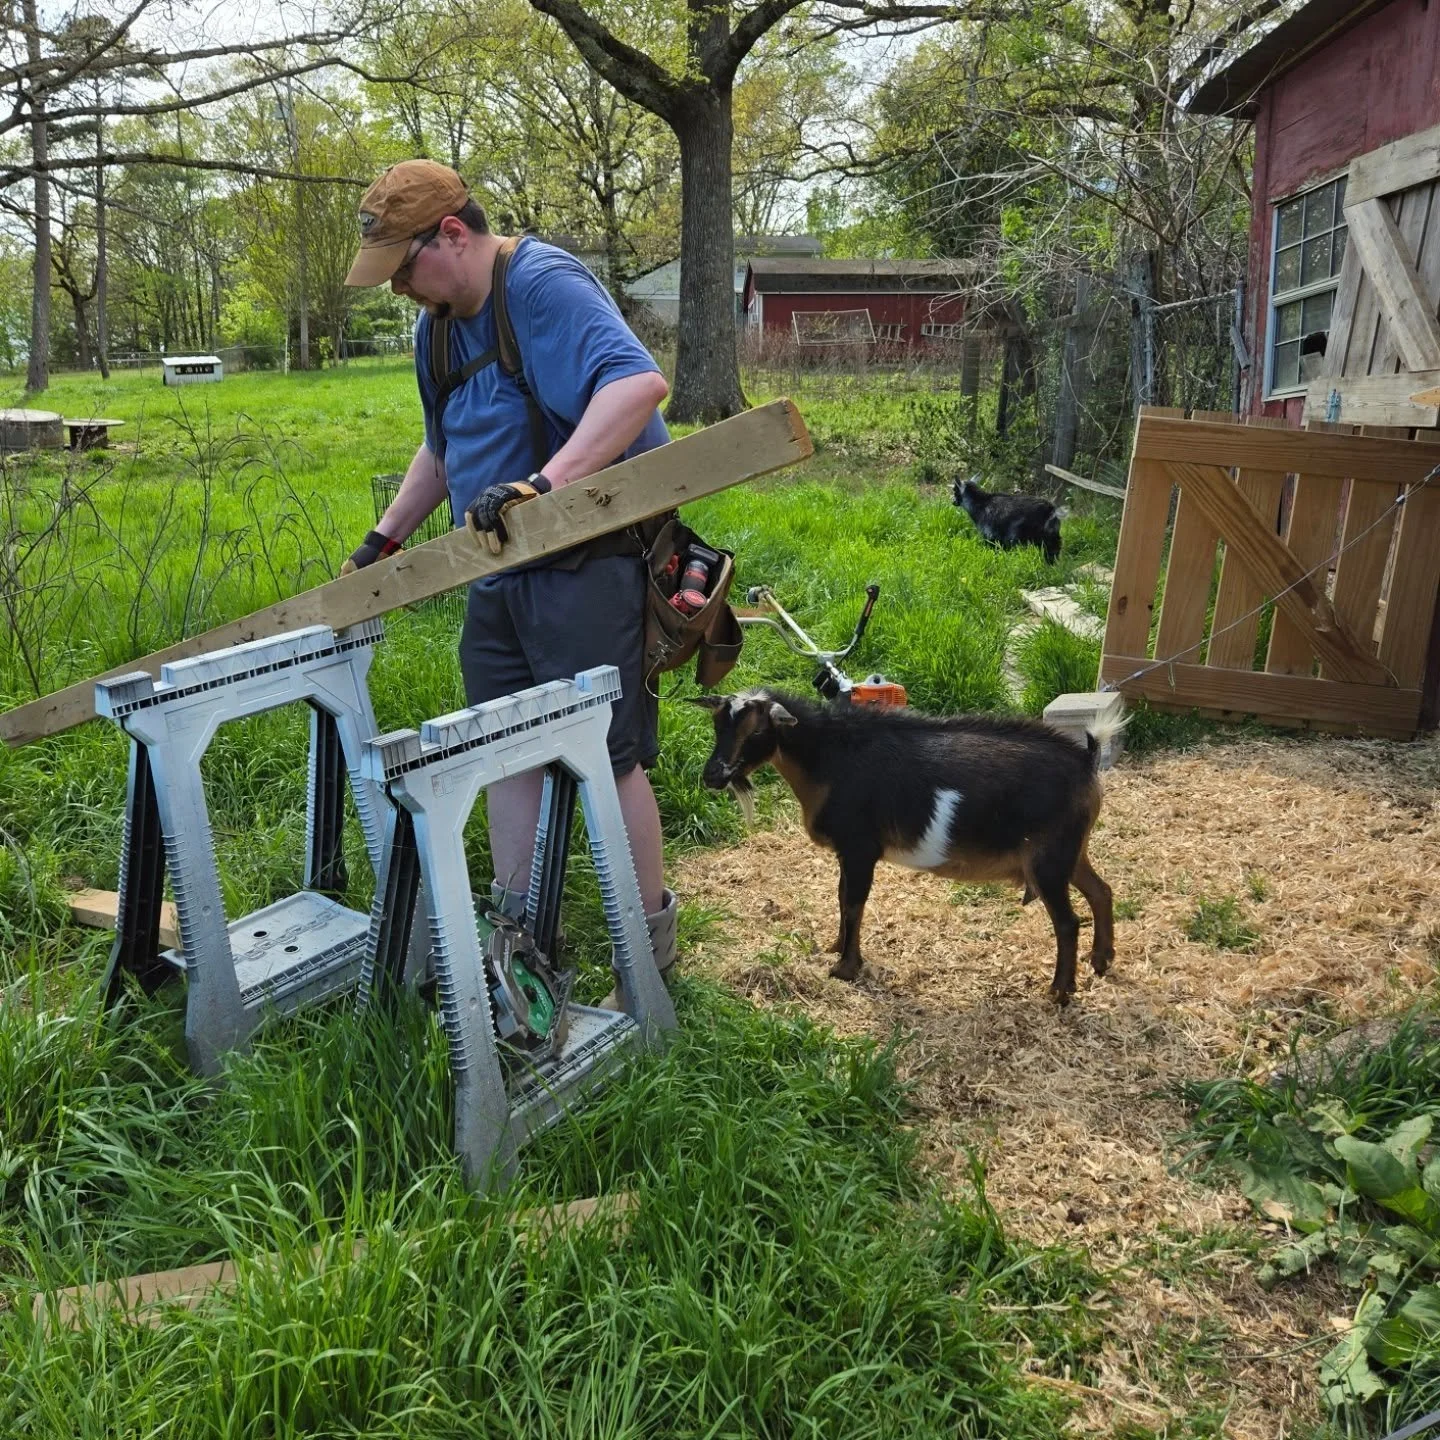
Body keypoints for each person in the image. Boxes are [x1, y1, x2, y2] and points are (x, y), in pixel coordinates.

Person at [341, 159, 678, 984]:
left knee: (609, 754)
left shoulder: (541, 284)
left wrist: (543, 486)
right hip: (497, 567)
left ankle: (649, 949)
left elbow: (637, 385)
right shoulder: (438, 325)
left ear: (451, 234)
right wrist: (381, 542)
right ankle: (518, 944)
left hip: (588, 559)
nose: (401, 292)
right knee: (501, 747)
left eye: (404, 270)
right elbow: (443, 448)